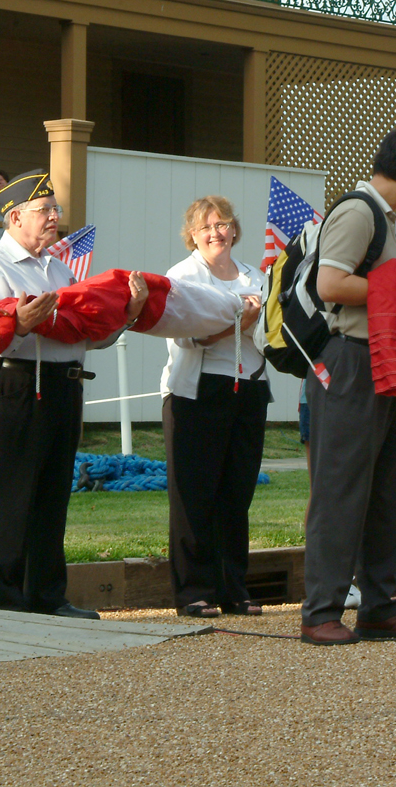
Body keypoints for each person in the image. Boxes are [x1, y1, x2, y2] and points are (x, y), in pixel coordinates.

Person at [0, 170, 148, 618]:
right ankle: (6, 604)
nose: (54, 218)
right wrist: (19, 324)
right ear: (15, 217)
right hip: (17, 385)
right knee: (10, 498)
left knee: (51, 496)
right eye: (45, 210)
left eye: (55, 209)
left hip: (64, 387)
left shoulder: (60, 269)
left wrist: (128, 314)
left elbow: (88, 337)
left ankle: (47, 597)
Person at [300, 125, 396, 646]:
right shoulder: (358, 212)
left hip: (388, 358)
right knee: (341, 489)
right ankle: (320, 610)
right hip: (352, 360)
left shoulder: (380, 217)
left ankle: (381, 606)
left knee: (390, 490)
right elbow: (331, 283)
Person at [160, 196, 269, 618]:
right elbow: (192, 335)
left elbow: (267, 335)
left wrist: (251, 325)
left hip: (248, 389)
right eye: (206, 227)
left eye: (222, 224)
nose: (215, 233)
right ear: (192, 234)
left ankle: (233, 588)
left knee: (236, 493)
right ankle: (193, 591)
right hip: (197, 392)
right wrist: (236, 324)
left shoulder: (254, 277)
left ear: (234, 230)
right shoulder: (182, 275)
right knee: (194, 493)